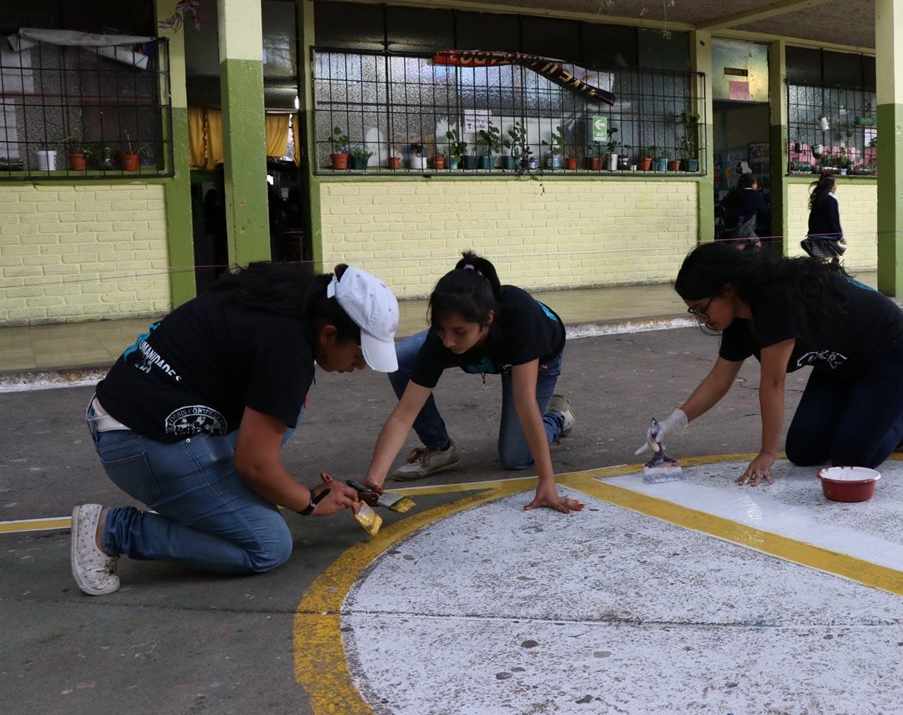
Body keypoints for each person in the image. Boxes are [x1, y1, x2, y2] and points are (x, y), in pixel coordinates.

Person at [71, 263, 400, 596]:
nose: (359, 367)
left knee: (289, 406)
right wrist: (309, 503)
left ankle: (206, 500)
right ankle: (114, 531)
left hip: (128, 416)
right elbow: (254, 465)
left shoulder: (286, 297)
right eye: (359, 356)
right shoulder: (287, 351)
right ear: (328, 333)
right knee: (267, 546)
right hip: (137, 444)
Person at [645, 243, 903, 487]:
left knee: (852, 458)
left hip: (890, 355)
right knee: (803, 450)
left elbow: (773, 382)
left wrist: (766, 453)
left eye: (702, 308)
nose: (702, 319)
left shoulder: (775, 299)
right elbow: (719, 379)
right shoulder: (737, 322)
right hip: (838, 367)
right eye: (694, 312)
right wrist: (673, 422)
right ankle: (865, 414)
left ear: (728, 290)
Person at [362, 252, 583, 514]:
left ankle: (557, 416)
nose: (448, 342)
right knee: (400, 359)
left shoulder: (521, 317)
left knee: (516, 457)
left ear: (488, 318)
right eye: (442, 329)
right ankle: (439, 447)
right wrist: (373, 481)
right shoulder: (444, 338)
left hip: (535, 356)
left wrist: (547, 482)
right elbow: (404, 414)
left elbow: (525, 401)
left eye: (459, 332)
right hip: (492, 351)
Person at [801, 174, 845, 262]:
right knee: (835, 254)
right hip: (827, 236)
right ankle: (832, 271)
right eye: (836, 184)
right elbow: (833, 219)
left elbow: (812, 218)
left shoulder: (818, 198)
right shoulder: (831, 200)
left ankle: (820, 270)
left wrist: (811, 232)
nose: (837, 186)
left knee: (818, 258)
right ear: (832, 187)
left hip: (815, 234)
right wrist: (840, 236)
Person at [720, 173, 768, 249]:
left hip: (729, 229)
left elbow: (723, 206)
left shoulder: (733, 194)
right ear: (753, 183)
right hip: (745, 230)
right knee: (758, 246)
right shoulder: (756, 196)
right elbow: (763, 213)